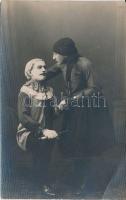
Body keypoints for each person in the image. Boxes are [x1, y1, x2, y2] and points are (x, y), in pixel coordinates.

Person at [46, 38, 115, 195]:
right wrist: (32, 81)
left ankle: (85, 181)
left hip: (89, 110)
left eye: (56, 54)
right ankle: (77, 176)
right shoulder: (62, 64)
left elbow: (95, 88)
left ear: (65, 54)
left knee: (84, 144)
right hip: (73, 108)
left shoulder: (85, 63)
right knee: (72, 142)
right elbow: (47, 73)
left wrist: (70, 100)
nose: (53, 57)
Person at [16, 58, 58, 196]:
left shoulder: (49, 90)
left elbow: (52, 114)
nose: (44, 70)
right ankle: (43, 183)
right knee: (42, 148)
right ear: (30, 72)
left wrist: (61, 107)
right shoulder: (25, 92)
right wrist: (42, 130)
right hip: (28, 132)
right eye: (39, 67)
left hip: (46, 132)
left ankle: (41, 177)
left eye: (45, 67)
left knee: (47, 149)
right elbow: (23, 117)